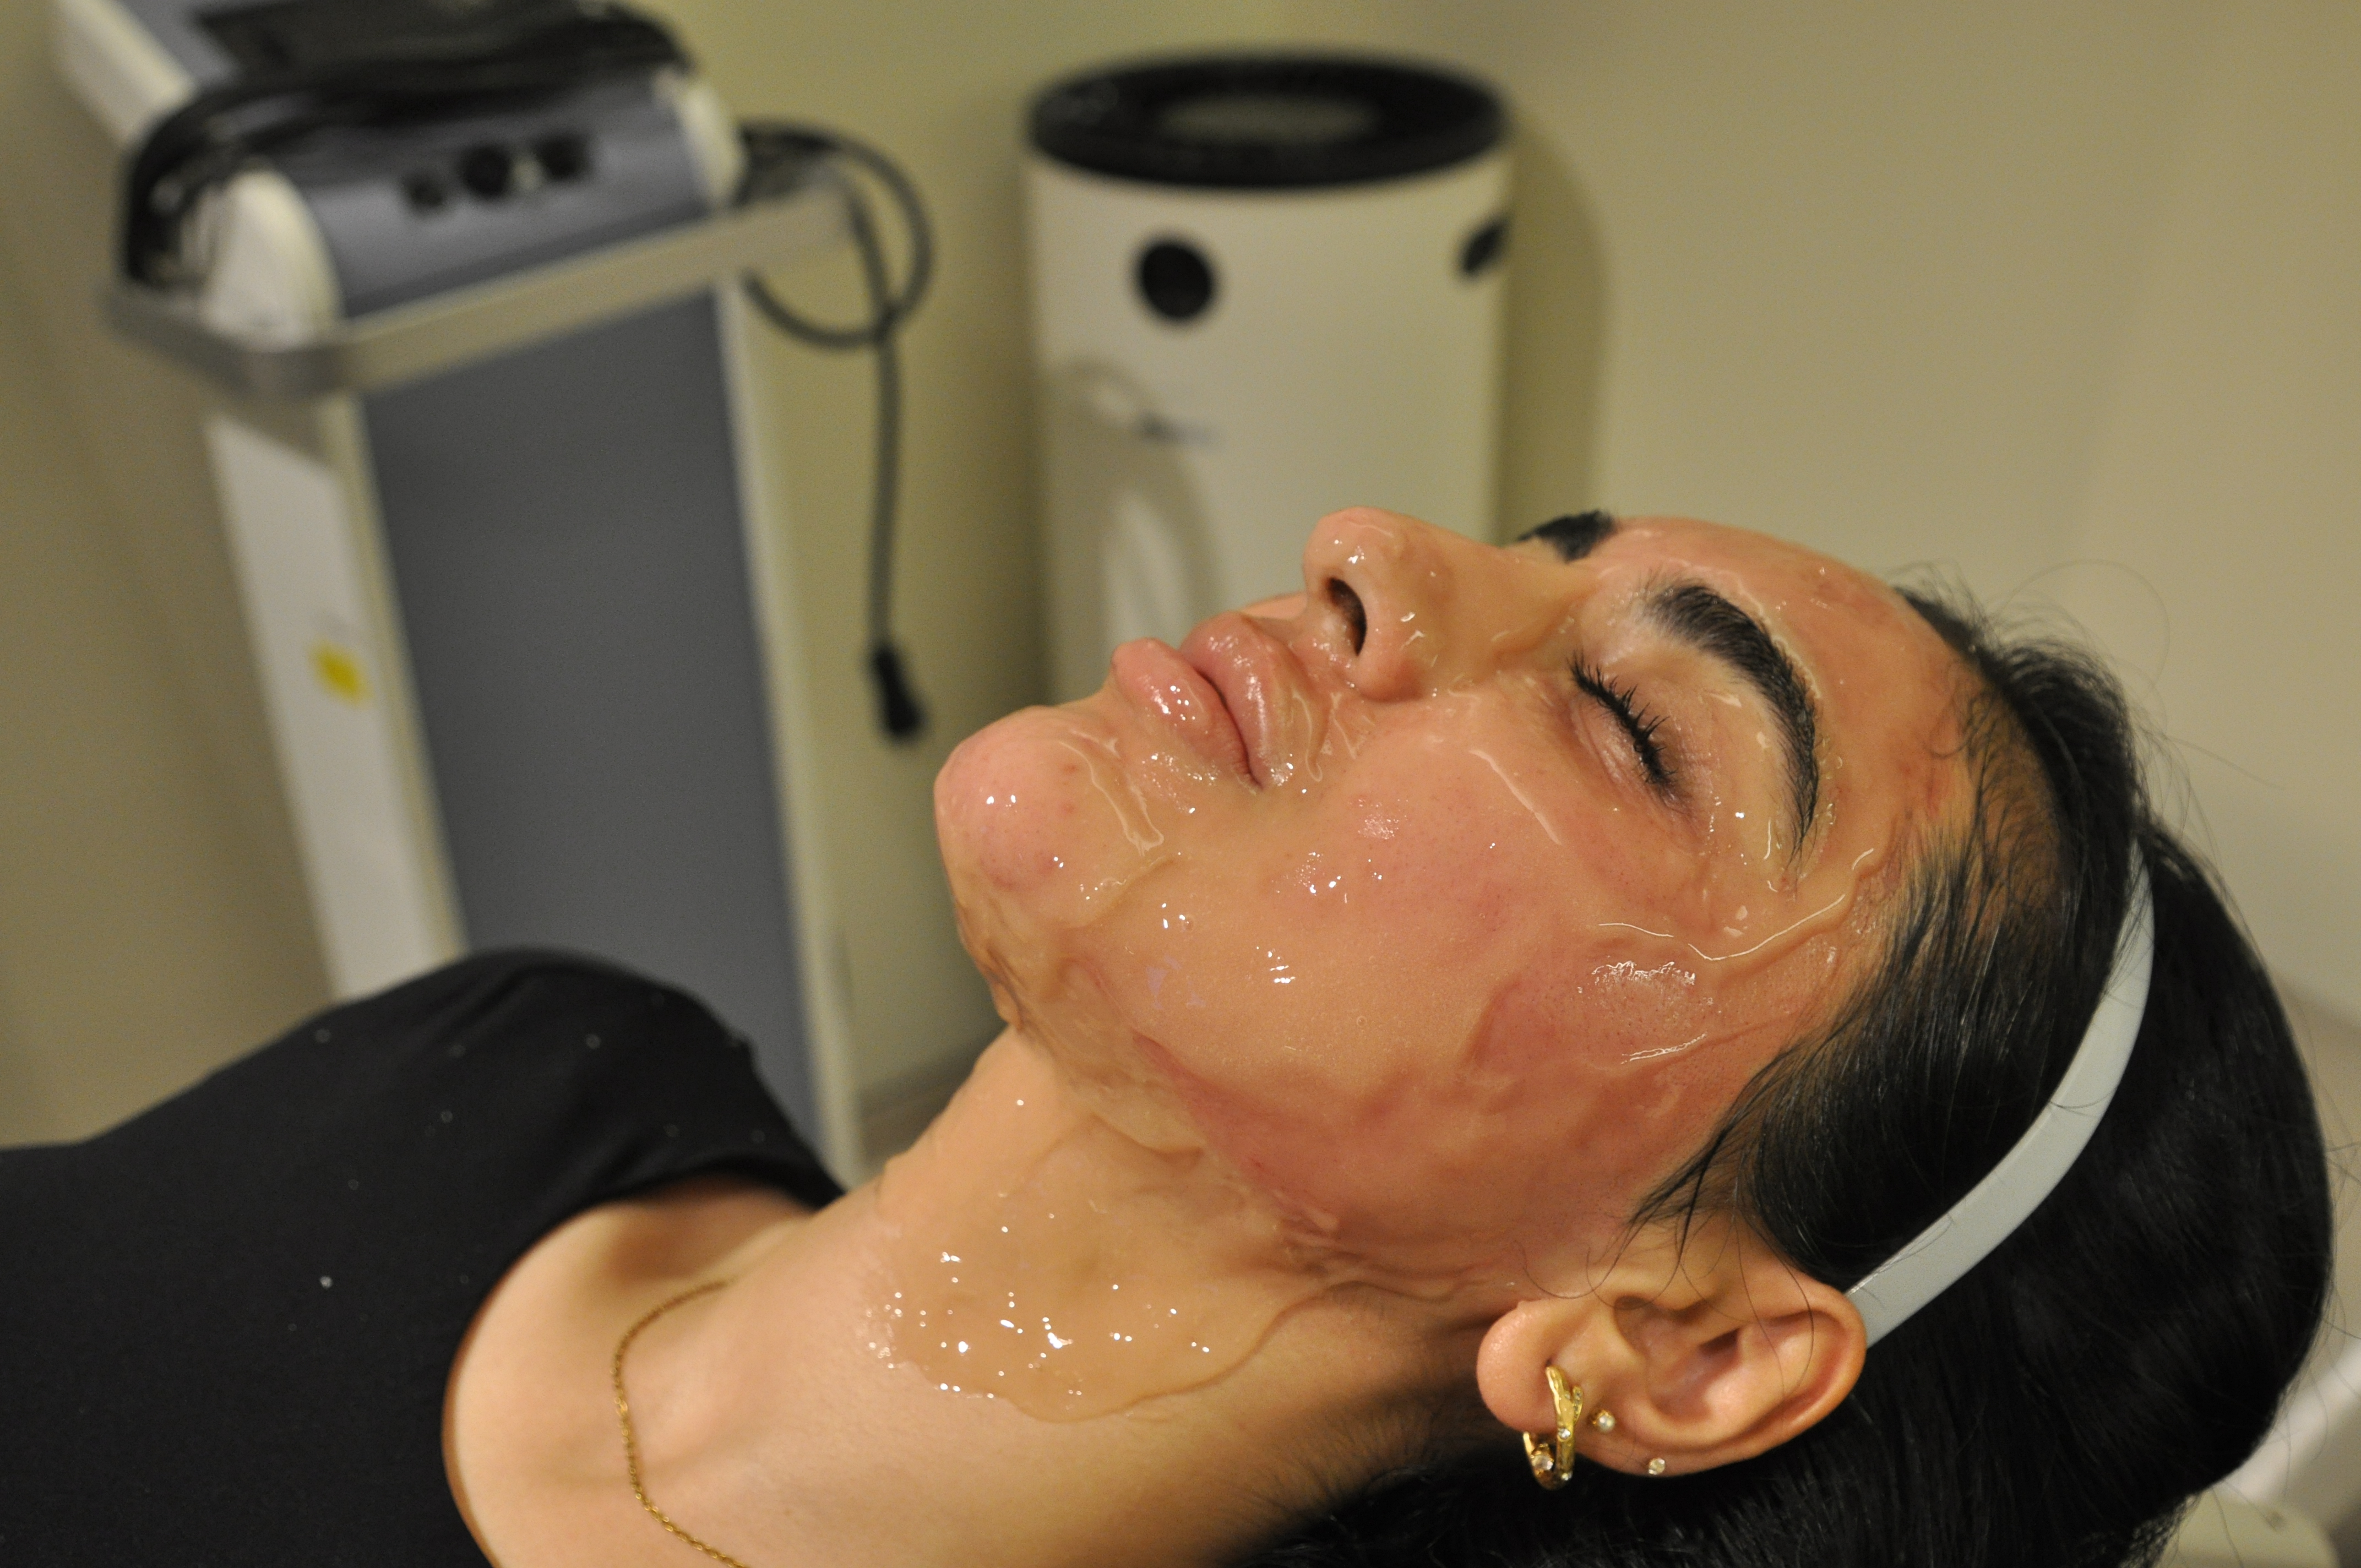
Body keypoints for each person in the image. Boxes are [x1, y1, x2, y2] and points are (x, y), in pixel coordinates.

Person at [0, 509, 2329, 1568]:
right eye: (1541, 545)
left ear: (1684, 1353)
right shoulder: (543, 1052)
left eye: (1634, 724)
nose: (1372, 547)